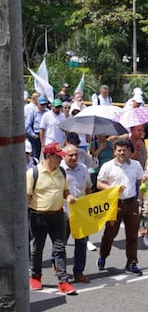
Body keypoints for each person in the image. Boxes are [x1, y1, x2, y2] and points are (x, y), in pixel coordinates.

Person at [27, 143, 76, 295]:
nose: (61, 160)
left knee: (60, 249)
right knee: (37, 249)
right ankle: (35, 277)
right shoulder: (33, 173)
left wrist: (68, 196)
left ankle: (63, 281)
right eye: (58, 157)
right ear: (49, 156)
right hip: (37, 216)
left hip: (57, 216)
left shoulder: (61, 171)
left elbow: (65, 190)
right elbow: (27, 197)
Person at [96, 139, 145, 276]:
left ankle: (132, 263)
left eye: (125, 150)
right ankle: (103, 256)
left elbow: (141, 182)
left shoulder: (136, 165)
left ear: (130, 151)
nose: (122, 153)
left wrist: (140, 200)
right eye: (119, 150)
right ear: (114, 151)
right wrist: (113, 189)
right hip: (114, 204)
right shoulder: (108, 166)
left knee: (132, 235)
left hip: (132, 203)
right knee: (110, 233)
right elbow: (99, 184)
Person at [60, 144, 94, 283]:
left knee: (81, 244)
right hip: (63, 212)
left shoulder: (83, 168)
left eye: (76, 155)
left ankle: (78, 272)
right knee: (60, 243)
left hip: (81, 212)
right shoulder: (59, 169)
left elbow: (88, 188)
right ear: (64, 155)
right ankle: (59, 268)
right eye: (70, 155)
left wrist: (89, 208)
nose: (74, 158)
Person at [26, 95, 47, 159]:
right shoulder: (33, 111)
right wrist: (33, 134)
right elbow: (27, 125)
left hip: (46, 135)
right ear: (37, 104)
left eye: (44, 104)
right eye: (41, 104)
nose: (43, 106)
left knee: (47, 153)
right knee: (35, 154)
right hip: (36, 135)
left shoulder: (48, 112)